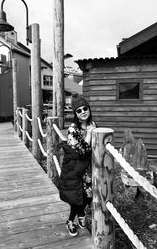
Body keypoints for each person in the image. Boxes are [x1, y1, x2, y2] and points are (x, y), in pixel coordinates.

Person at [56, 94, 97, 237]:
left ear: (89, 109)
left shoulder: (93, 125)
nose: (83, 112)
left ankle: (80, 214)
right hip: (76, 169)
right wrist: (89, 135)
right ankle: (71, 220)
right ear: (75, 114)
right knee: (77, 197)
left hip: (89, 168)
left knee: (88, 196)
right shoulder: (73, 129)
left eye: (85, 108)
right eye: (78, 110)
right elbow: (79, 152)